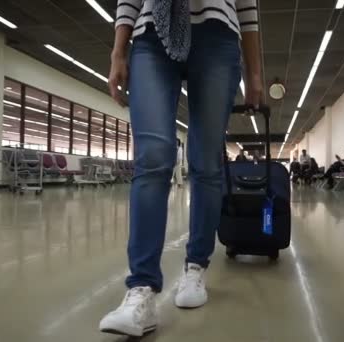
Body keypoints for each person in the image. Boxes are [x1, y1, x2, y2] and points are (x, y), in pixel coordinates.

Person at [100, 0, 262, 337]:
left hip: (218, 35)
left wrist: (255, 74)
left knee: (205, 162)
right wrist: (118, 51)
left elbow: (248, 7)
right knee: (154, 157)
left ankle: (195, 266)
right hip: (151, 34)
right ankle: (141, 289)